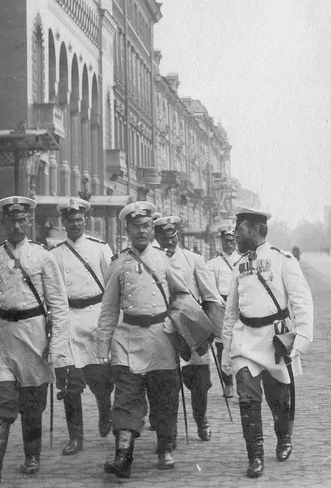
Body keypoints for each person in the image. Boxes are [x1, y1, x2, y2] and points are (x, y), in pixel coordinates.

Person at [0, 196, 70, 484]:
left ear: (29, 221)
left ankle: (32, 455)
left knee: (32, 402)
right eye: (11, 219)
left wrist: (58, 345)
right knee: (1, 397)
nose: (16, 225)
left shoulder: (43, 257)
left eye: (22, 220)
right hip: (0, 334)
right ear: (3, 221)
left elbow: (59, 305)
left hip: (33, 335)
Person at [96, 201, 190, 477]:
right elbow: (109, 309)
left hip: (161, 338)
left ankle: (164, 447)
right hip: (127, 338)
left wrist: (183, 326)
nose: (141, 231)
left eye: (146, 226)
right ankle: (123, 455)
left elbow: (182, 297)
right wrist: (102, 345)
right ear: (127, 229)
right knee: (126, 397)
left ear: (152, 228)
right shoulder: (118, 264)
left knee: (164, 396)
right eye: (135, 226)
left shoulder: (164, 261)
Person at [222, 207, 314, 479]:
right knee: (248, 399)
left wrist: (302, 339)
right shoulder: (238, 265)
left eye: (240, 230)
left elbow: (301, 300)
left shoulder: (283, 259)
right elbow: (231, 311)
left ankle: (284, 437)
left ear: (256, 230)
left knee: (279, 399)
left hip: (275, 339)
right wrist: (227, 350)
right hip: (245, 340)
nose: (235, 235)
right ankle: (256, 457)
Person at [50, 197, 115, 456]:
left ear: (85, 221)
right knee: (69, 382)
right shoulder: (54, 254)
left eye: (79, 220)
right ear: (63, 223)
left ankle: (104, 409)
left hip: (95, 316)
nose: (75, 224)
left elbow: (111, 288)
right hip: (68, 319)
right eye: (70, 220)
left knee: (100, 378)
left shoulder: (100, 248)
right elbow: (52, 291)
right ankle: (75, 437)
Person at [156, 214, 223, 443]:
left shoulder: (193, 259)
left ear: (178, 235)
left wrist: (212, 330)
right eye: (164, 238)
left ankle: (201, 419)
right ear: (156, 237)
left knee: (200, 382)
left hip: (192, 327)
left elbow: (211, 297)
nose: (169, 242)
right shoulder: (152, 261)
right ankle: (170, 428)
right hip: (163, 328)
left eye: (173, 236)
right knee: (168, 381)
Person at [207, 228, 239, 398]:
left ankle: (242, 381)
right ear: (221, 242)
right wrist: (222, 302)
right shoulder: (213, 263)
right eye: (226, 241)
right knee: (222, 347)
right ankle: (228, 383)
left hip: (240, 306)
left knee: (240, 344)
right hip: (222, 306)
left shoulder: (242, 260)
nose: (229, 244)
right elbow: (211, 288)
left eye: (232, 241)